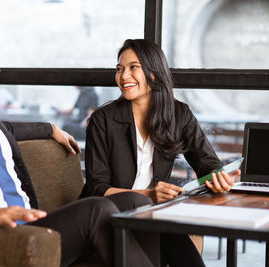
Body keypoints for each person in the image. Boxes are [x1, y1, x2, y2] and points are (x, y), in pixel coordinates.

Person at [0, 19, 158, 267]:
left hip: (33, 223)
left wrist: (50, 129)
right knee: (96, 209)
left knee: (136, 204)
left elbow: (6, 129)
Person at [80, 39, 241, 266]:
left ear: (153, 73)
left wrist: (218, 177)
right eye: (119, 69)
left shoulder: (179, 114)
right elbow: (96, 187)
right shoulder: (102, 120)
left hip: (153, 214)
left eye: (133, 67)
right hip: (109, 216)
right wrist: (150, 195)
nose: (124, 76)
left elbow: (206, 162)